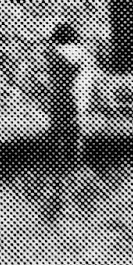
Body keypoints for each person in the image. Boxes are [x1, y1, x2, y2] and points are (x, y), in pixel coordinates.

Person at [41, 23, 97, 220]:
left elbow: (47, 69)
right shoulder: (81, 53)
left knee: (57, 136)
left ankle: (58, 169)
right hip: (75, 100)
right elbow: (87, 77)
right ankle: (73, 168)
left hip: (58, 98)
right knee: (74, 136)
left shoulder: (52, 52)